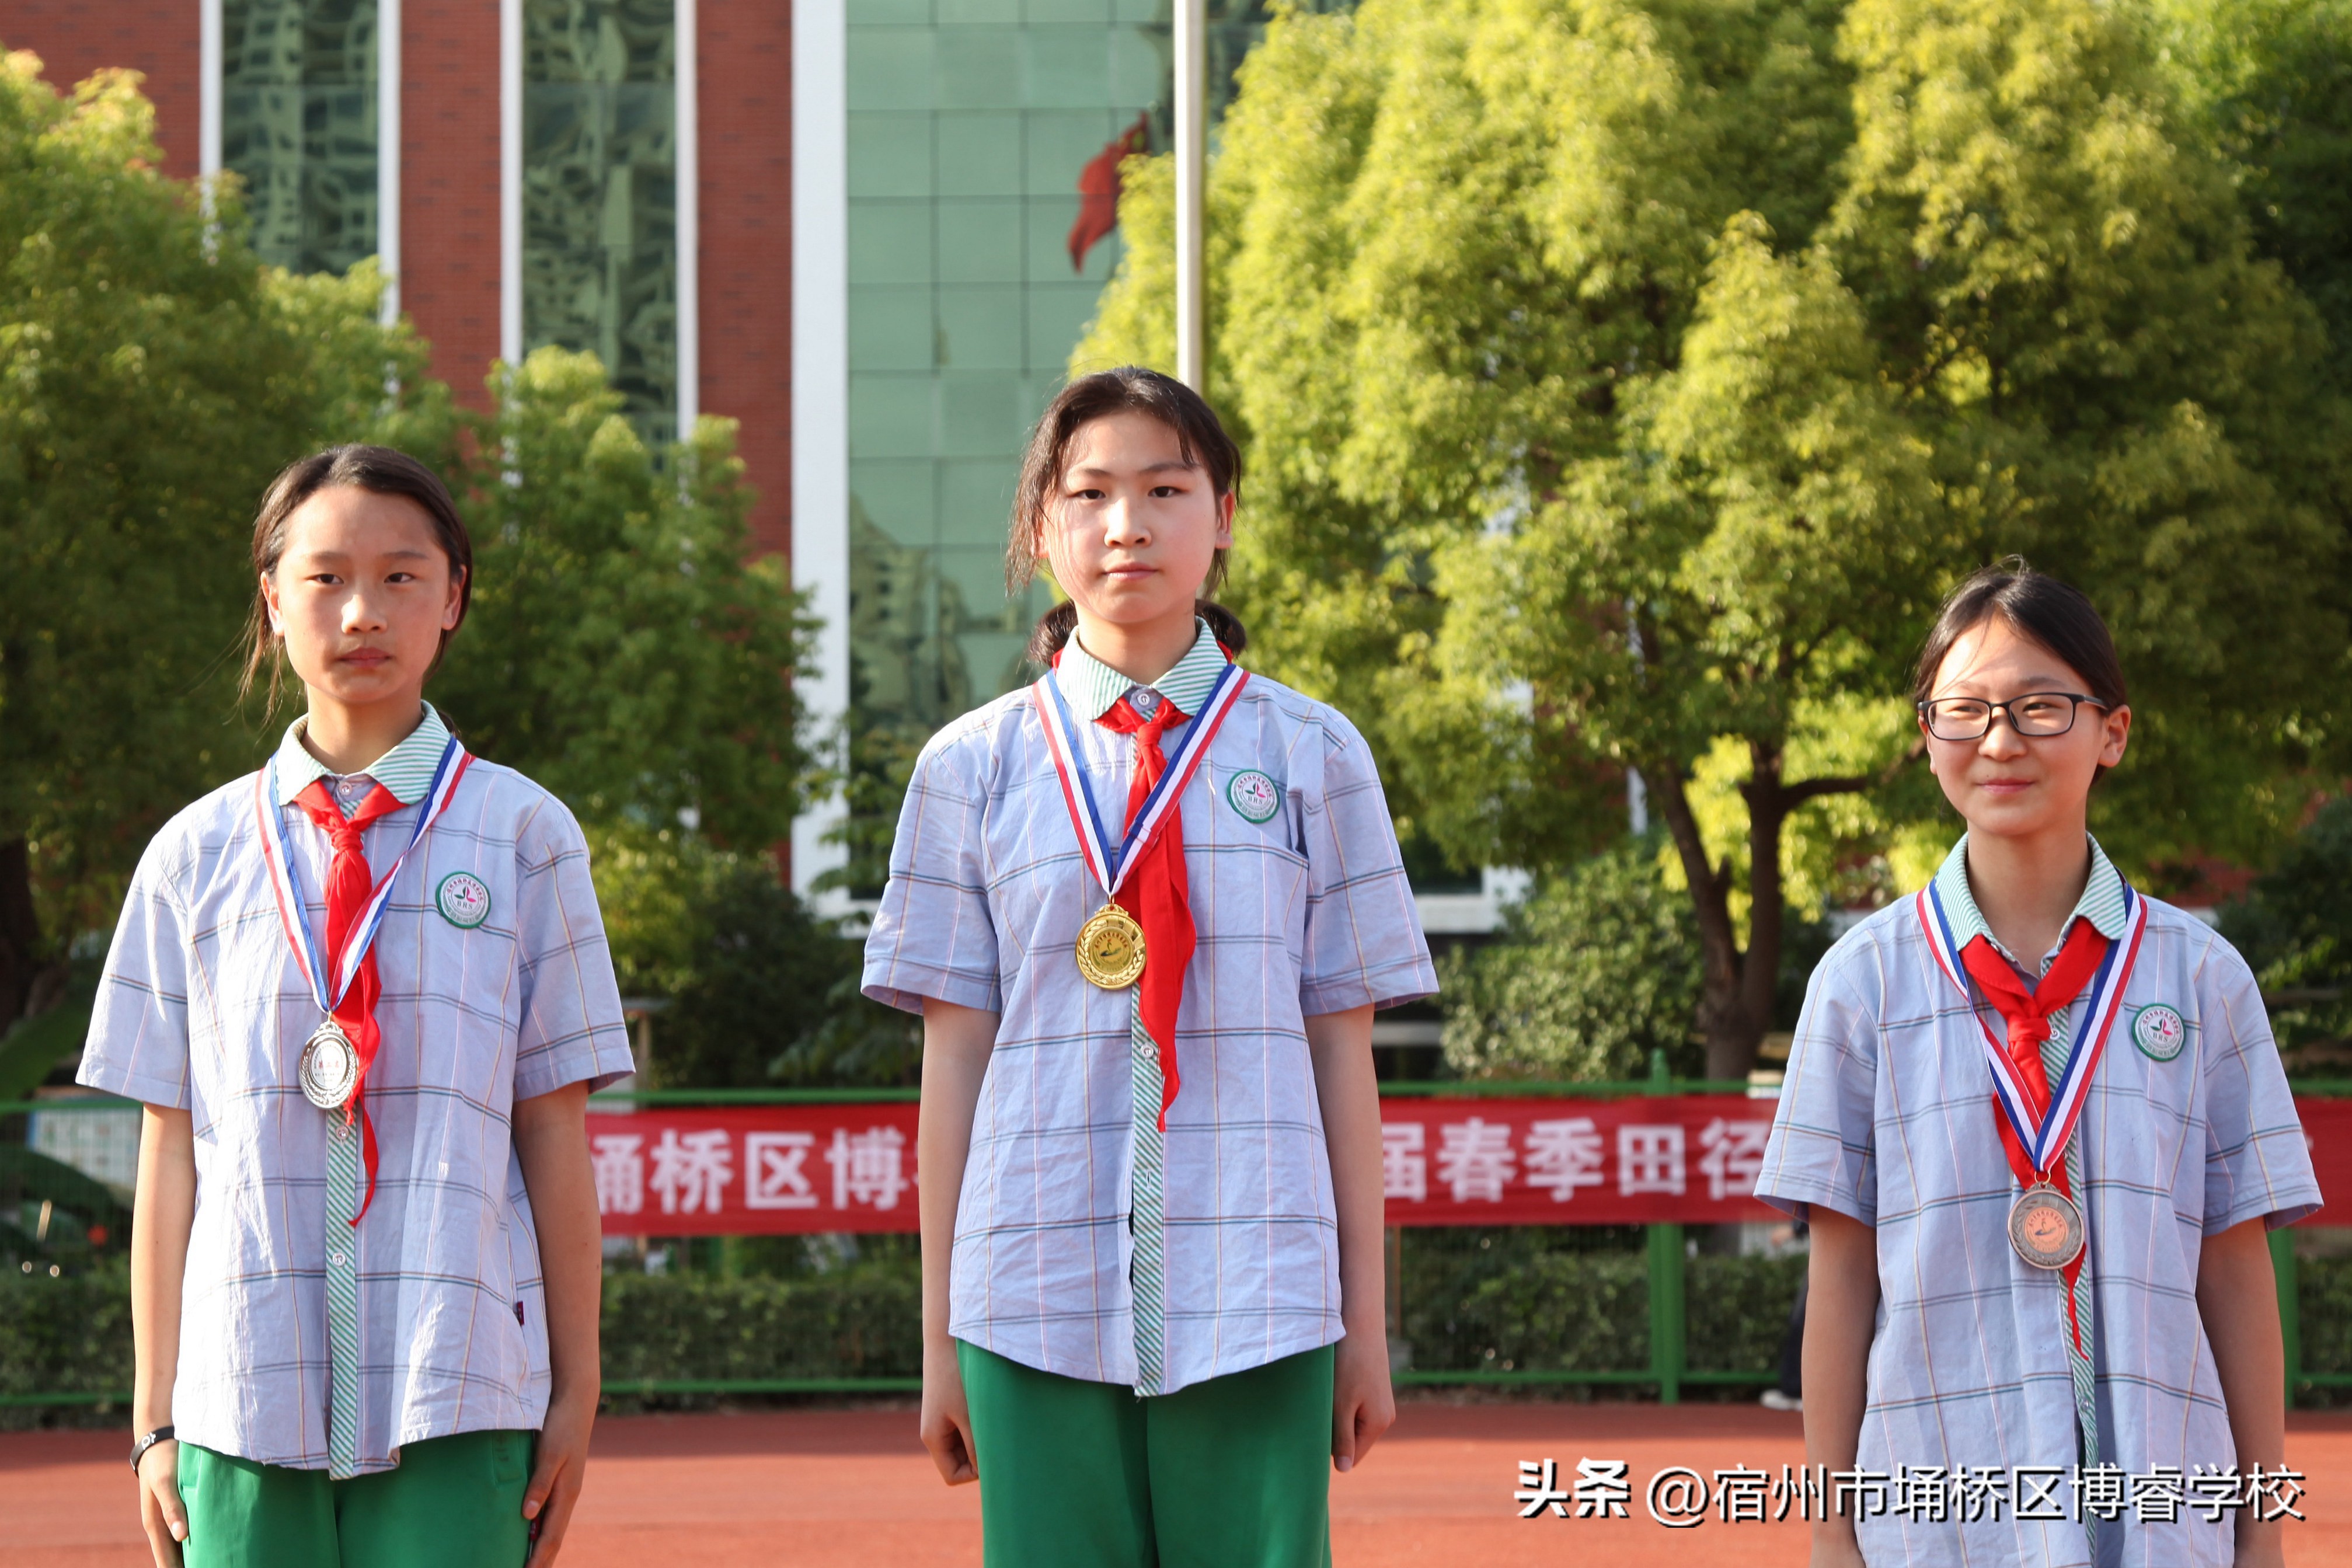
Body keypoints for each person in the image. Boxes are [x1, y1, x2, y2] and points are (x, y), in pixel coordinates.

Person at [862, 366, 1437, 1566]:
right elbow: (953, 1060)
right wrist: (939, 1343)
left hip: (1260, 1287)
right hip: (1029, 1295)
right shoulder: (968, 768)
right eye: (1090, 493)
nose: (1127, 523)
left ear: (1221, 512)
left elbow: (1343, 1050)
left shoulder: (1313, 751)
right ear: (1042, 528)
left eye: (1165, 488)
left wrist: (1362, 1328)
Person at [85, 445, 635, 1568]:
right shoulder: (193, 858)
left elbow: (552, 1130)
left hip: (460, 1382)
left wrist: (575, 1391)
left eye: (401, 576)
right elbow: (170, 1151)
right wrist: (154, 1417)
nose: (362, 611)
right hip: (241, 1397)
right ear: (274, 602)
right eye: (326, 576)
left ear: (453, 598)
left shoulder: (527, 837)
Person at [1755, 562, 2319, 1567]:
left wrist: (2260, 1527)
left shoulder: (2201, 980)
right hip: (1937, 1522)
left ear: (2112, 731)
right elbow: (1839, 1275)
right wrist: (1830, 1531)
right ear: (1926, 736)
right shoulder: (1859, 985)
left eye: (2041, 707)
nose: (2001, 740)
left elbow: (2234, 1268)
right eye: (1963, 710)